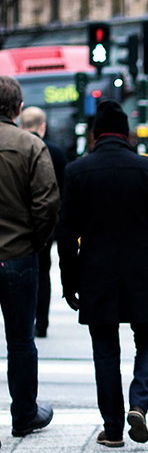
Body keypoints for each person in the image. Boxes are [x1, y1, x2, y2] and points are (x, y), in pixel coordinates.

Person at [58, 100, 148, 448]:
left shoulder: (77, 171)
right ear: (126, 134)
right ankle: (139, 403)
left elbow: (66, 234)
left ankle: (112, 429)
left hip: (96, 273)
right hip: (143, 272)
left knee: (105, 351)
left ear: (95, 133)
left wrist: (69, 283)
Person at [0, 77, 59, 444]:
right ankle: (24, 414)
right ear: (18, 108)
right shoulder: (30, 145)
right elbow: (47, 203)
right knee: (21, 340)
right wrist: (35, 242)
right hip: (18, 256)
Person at [20, 106, 67, 338]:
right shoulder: (56, 152)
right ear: (43, 125)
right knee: (43, 273)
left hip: (18, 225)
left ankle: (24, 320)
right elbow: (62, 190)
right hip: (46, 224)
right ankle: (42, 322)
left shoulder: (14, 148)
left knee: (19, 272)